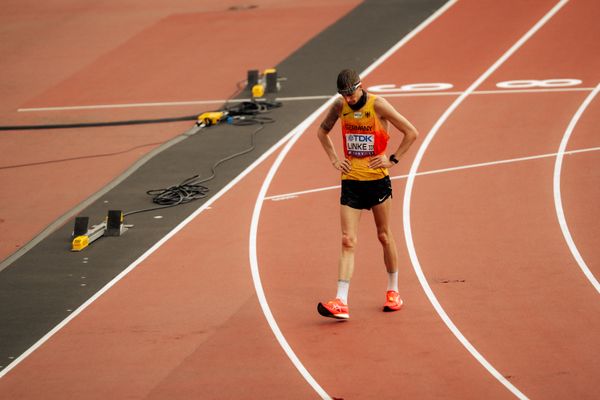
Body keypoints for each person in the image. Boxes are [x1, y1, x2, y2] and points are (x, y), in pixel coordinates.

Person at [316, 69, 418, 320]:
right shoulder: (339, 106)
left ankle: (393, 291)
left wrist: (392, 159)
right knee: (347, 240)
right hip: (351, 180)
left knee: (384, 235)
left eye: (350, 94)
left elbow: (411, 132)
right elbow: (322, 132)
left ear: (360, 87)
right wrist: (334, 159)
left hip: (377, 181)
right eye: (344, 95)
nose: (348, 99)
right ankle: (341, 301)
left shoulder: (378, 105)